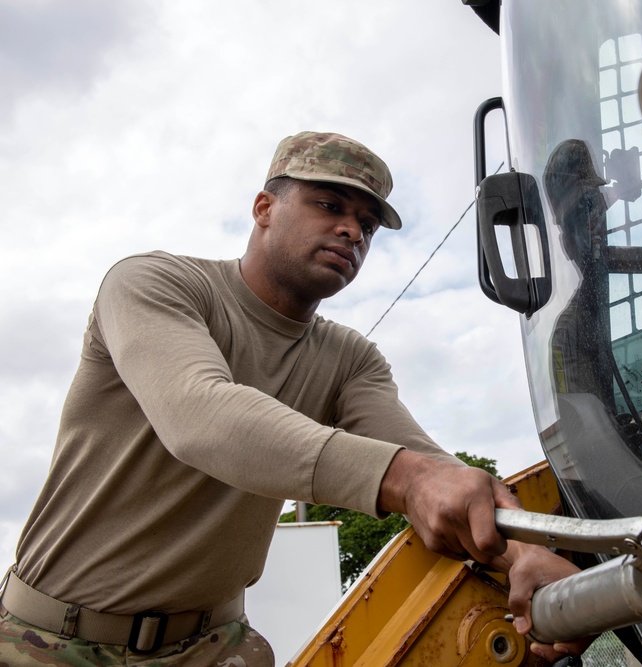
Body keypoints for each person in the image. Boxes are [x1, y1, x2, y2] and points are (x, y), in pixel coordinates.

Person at [0, 132, 583, 665]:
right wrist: (412, 481)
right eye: (329, 207)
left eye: (368, 224)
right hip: (49, 639)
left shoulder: (350, 358)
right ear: (264, 209)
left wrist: (520, 552)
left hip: (214, 647)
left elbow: (427, 465)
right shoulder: (155, 285)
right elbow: (200, 416)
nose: (353, 232)